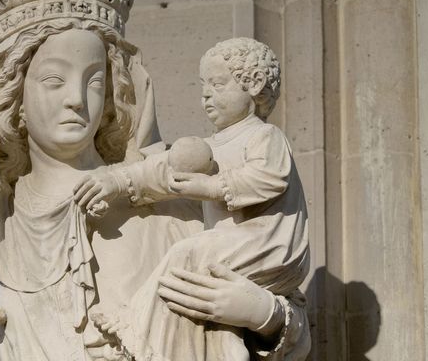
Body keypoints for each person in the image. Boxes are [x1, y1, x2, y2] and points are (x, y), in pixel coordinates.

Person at [0, 0, 311, 361]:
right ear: (13, 100)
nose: (76, 99)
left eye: (94, 82)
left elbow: (284, 303)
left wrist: (264, 314)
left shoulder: (167, 200)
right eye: (55, 81)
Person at [74, 38, 310, 361]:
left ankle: (132, 324)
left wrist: (263, 313)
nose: (206, 95)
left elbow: (266, 178)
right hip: (227, 260)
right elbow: (164, 172)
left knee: (187, 254)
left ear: (253, 85)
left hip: (263, 245)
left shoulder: (264, 138)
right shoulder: (207, 148)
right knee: (203, 297)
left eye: (217, 84)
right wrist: (118, 179)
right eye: (203, 86)